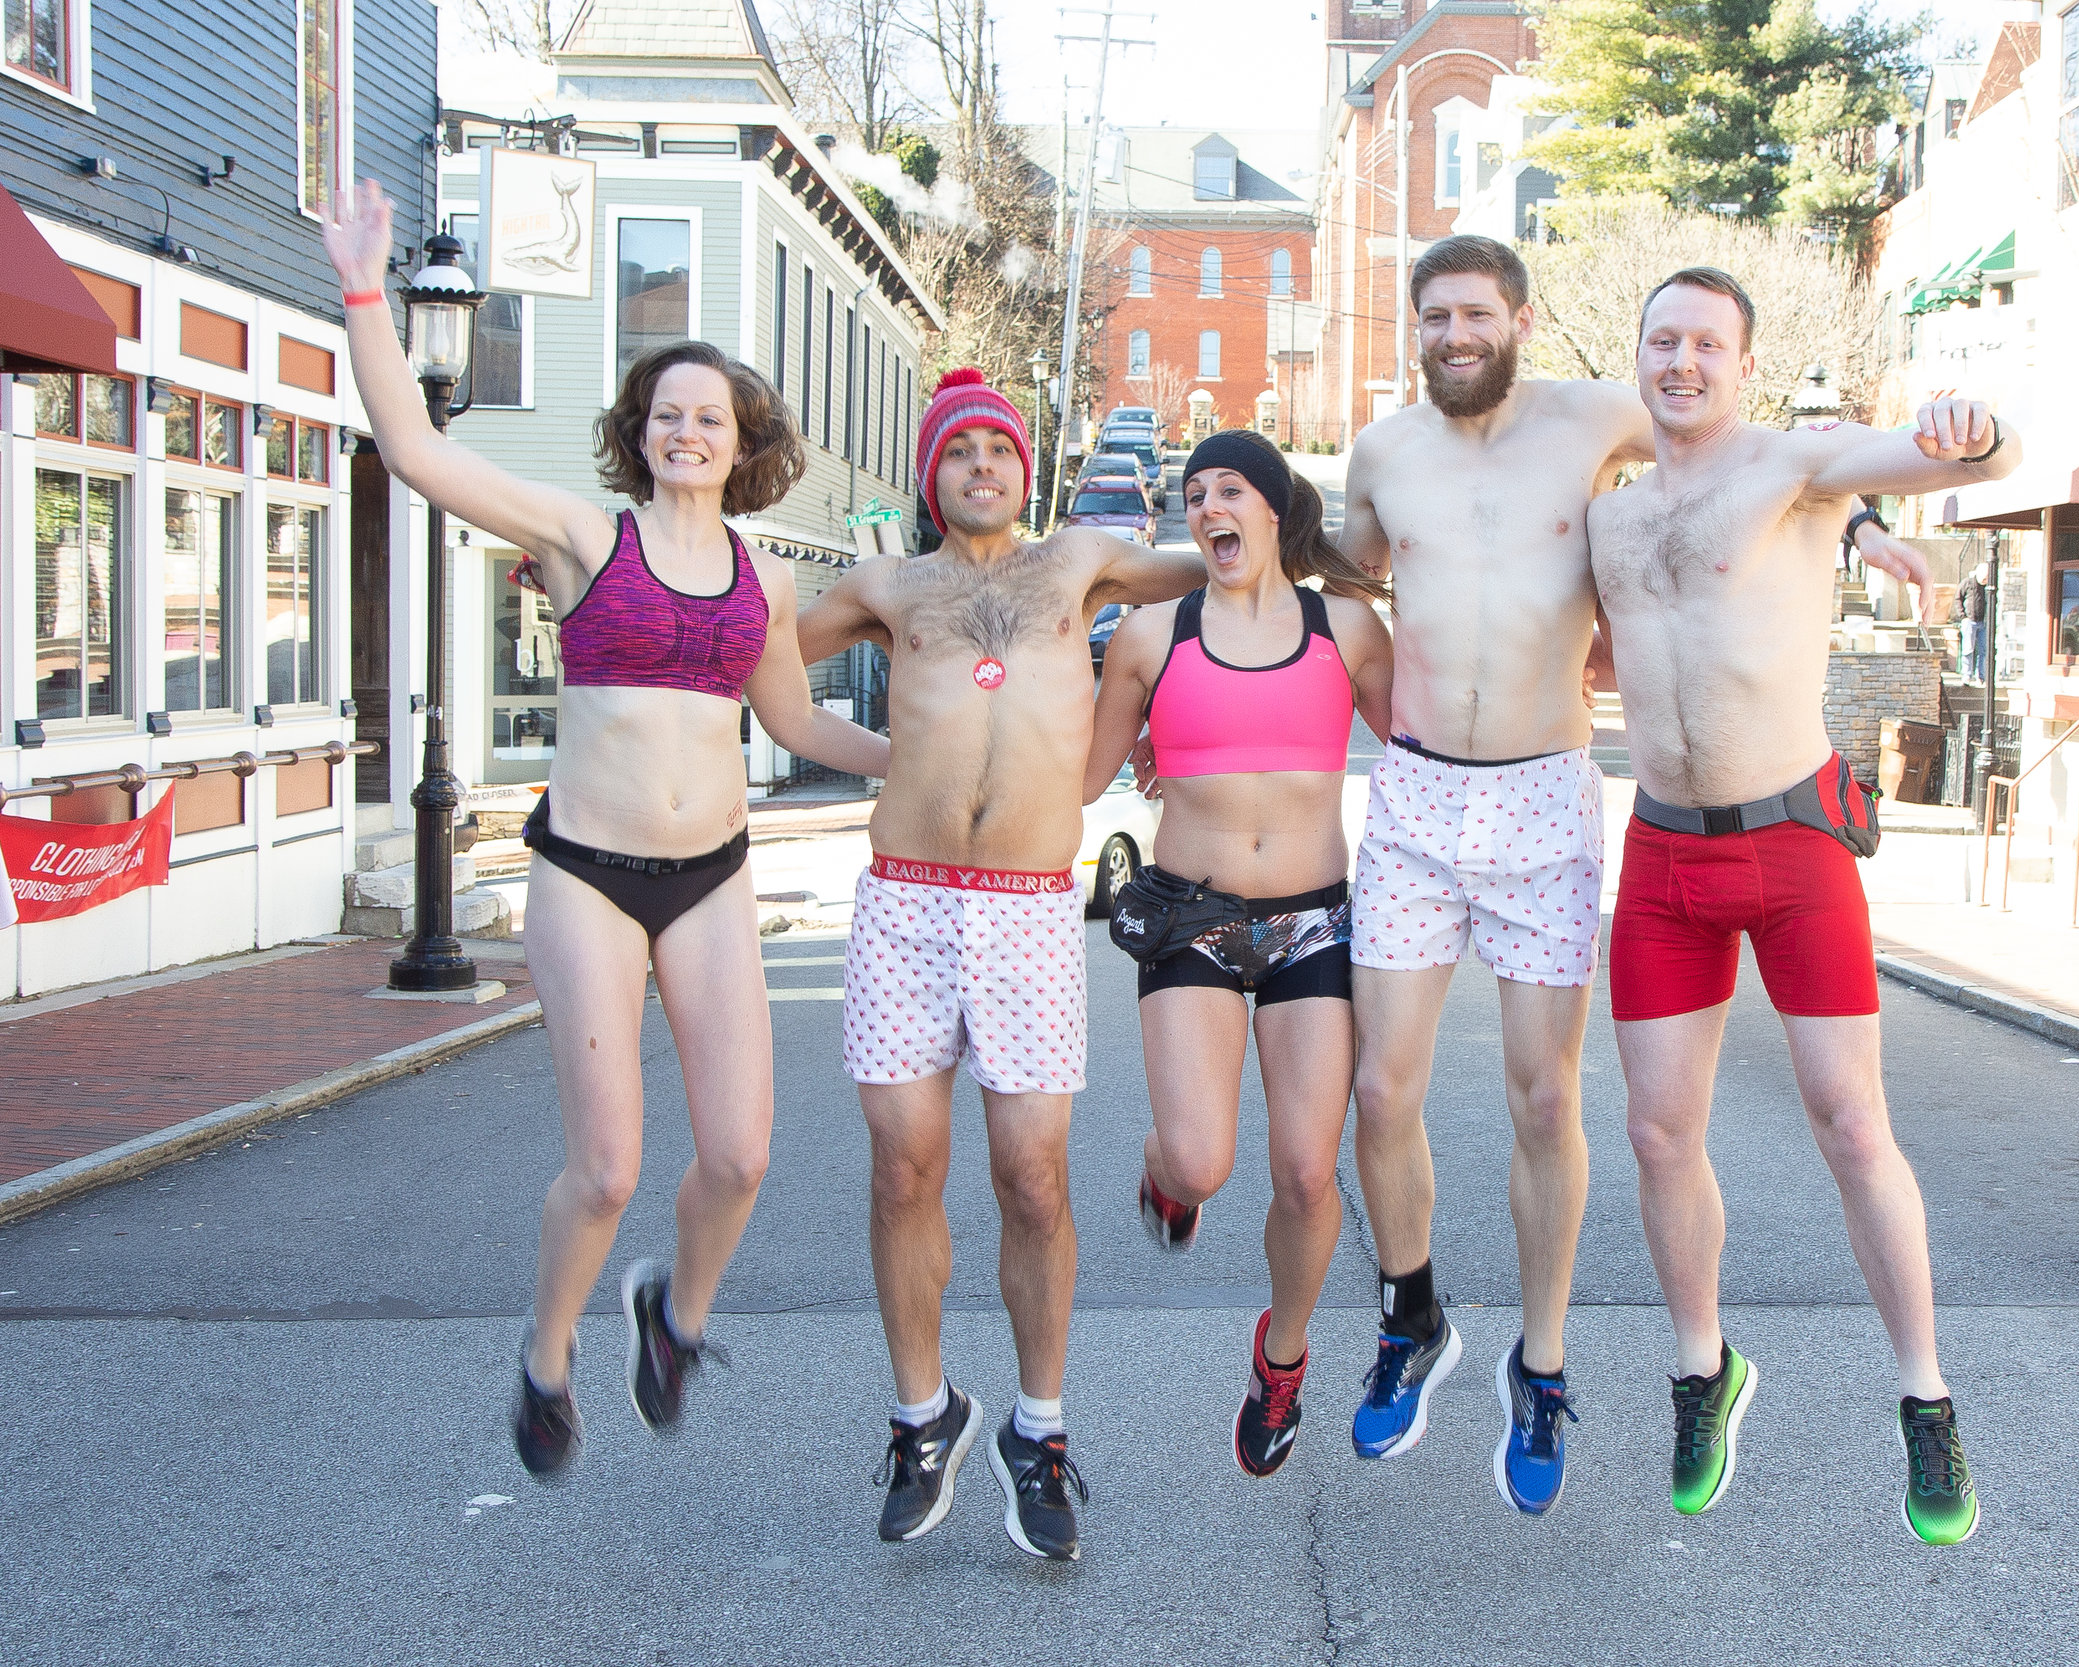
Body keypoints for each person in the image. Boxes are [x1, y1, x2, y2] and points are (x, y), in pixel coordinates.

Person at [1331, 234, 1930, 1518]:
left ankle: (1541, 1365)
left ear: (1522, 320)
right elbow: (1333, 573)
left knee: (1549, 1099)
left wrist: (1863, 515)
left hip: (1549, 788)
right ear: (1414, 326)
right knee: (1379, 1084)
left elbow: (1759, 455)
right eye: (1434, 315)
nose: (1455, 334)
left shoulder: (1601, 414)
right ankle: (1410, 1310)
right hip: (1423, 788)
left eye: (1477, 313)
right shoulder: (1382, 453)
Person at [321, 182, 892, 1478]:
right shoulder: (585, 537)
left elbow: (802, 725)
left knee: (741, 1153)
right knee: (606, 1166)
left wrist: (925, 762)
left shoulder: (767, 576)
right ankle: (545, 1349)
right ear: (639, 432)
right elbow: (418, 451)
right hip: (586, 872)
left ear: (743, 437)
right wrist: (366, 292)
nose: (689, 432)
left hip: (710, 879)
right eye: (668, 414)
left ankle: (672, 1316)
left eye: (712, 416)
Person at [1590, 265, 2018, 1547]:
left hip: (1789, 848)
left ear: (1743, 362)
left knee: (1847, 1118)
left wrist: (1965, 424)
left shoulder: (1792, 467)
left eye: (1706, 343)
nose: (1681, 362)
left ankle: (1924, 1397)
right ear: (1641, 354)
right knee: (1660, 1136)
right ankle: (1700, 1368)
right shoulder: (1605, 520)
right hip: (1662, 857)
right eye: (1661, 339)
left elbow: (1966, 461)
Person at [794, 370, 1203, 1561]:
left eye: (1001, 449)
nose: (984, 463)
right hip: (905, 906)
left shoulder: (1078, 561)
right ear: (931, 472)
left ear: (1027, 468)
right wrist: (887, 754)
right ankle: (924, 1417)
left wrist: (1347, 551)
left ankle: (1040, 1426)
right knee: (904, 1166)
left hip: (1027, 911)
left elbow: (1232, 567)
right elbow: (752, 648)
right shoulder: (887, 584)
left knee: (1033, 1177)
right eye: (961, 449)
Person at [1083, 430, 1393, 1481]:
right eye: (1193, 494)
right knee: (1203, 1159)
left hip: (1315, 918)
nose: (1209, 506)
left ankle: (1283, 1357)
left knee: (1308, 1170)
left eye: (1230, 489)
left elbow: (1431, 744)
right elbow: (1080, 775)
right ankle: (1166, 1170)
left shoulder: (1343, 625)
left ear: (1272, 508)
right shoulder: (1149, 634)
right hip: (1191, 916)